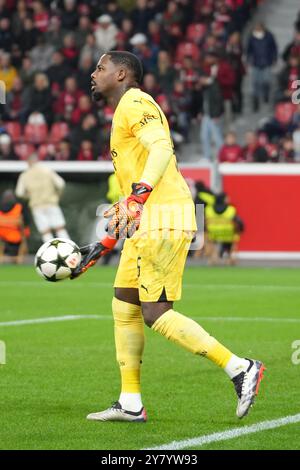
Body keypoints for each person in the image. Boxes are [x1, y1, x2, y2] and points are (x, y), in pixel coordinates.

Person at [72, 51, 265, 422]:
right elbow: (132, 194)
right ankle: (130, 402)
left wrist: (141, 194)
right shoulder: (125, 109)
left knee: (155, 312)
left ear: (122, 73)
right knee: (124, 303)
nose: (93, 74)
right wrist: (105, 243)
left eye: (101, 68)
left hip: (163, 216)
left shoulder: (134, 101)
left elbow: (162, 147)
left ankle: (240, 367)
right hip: (149, 220)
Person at [15, 153, 70, 243]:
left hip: (37, 206)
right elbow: (61, 184)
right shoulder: (47, 170)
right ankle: (69, 250)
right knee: (60, 228)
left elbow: (19, 193)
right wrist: (57, 195)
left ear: (28, 162)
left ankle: (51, 254)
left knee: (45, 232)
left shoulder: (25, 175)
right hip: (51, 203)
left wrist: (29, 196)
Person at [205, 192, 244, 265]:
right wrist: (239, 231)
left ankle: (213, 258)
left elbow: (204, 222)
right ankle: (231, 258)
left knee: (208, 238)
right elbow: (239, 223)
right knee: (235, 237)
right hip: (228, 233)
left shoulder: (208, 209)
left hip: (213, 233)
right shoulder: (230, 209)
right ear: (224, 199)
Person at [0, 190, 30, 264]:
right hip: (14, 238)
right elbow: (25, 223)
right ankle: (20, 257)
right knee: (25, 233)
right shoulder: (19, 207)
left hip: (7, 238)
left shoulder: (18, 207)